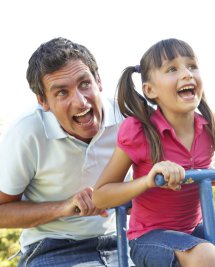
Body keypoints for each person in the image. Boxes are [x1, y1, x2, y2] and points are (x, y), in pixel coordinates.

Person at [93, 38, 215, 267]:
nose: (187, 74)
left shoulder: (209, 126)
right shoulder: (139, 131)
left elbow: (196, 175)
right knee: (205, 255)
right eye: (172, 69)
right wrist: (148, 181)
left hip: (194, 230)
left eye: (192, 66)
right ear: (150, 90)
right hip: (148, 238)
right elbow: (101, 195)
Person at [0, 37, 127, 266]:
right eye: (61, 93)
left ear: (98, 81)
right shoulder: (27, 132)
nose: (80, 101)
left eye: (84, 84)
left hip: (125, 239)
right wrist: (65, 206)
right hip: (53, 247)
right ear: (43, 101)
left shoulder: (129, 116)